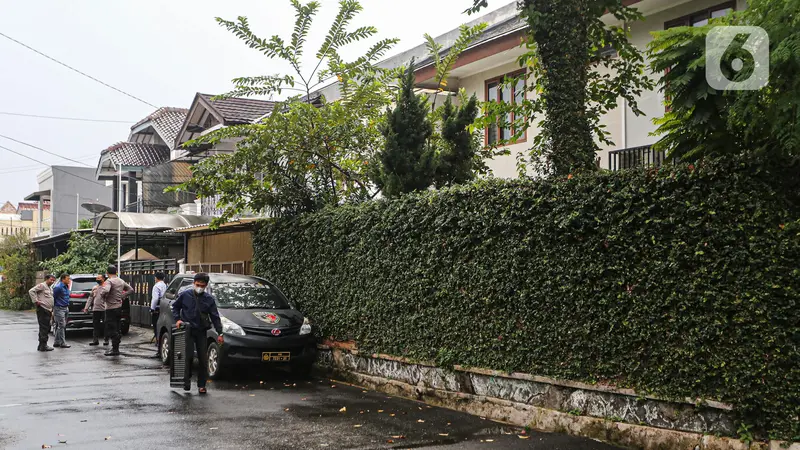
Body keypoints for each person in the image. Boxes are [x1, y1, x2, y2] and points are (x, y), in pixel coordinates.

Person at [172, 273, 224, 394]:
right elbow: (175, 307)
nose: (199, 287)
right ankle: (186, 381)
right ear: (193, 283)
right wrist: (178, 319)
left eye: (202, 285)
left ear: (206, 286)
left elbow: (215, 317)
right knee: (187, 356)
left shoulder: (209, 299)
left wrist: (220, 333)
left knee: (202, 358)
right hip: (187, 330)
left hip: (201, 331)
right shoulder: (185, 295)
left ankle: (201, 385)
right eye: (197, 285)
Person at [99, 265, 132, 357]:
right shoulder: (121, 281)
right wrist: (122, 296)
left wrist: (103, 296)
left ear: (107, 272)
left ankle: (115, 345)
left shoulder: (109, 281)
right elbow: (131, 289)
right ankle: (115, 348)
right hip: (119, 307)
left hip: (110, 308)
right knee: (116, 327)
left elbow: (106, 290)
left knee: (110, 328)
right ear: (116, 272)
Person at [28, 274, 56, 352]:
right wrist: (36, 301)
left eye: (54, 280)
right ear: (46, 279)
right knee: (44, 328)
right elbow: (31, 291)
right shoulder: (42, 286)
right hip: (43, 309)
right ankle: (43, 345)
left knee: (45, 327)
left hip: (48, 310)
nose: (52, 281)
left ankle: (41, 345)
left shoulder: (49, 288)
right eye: (51, 280)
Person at [83, 274, 108, 346]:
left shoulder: (106, 287)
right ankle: (95, 340)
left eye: (99, 278)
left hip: (104, 309)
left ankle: (106, 339)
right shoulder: (95, 288)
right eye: (97, 278)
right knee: (95, 325)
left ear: (103, 279)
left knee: (106, 325)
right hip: (96, 309)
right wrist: (86, 307)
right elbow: (90, 298)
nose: (97, 279)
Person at [51, 274, 71, 349]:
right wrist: (53, 309)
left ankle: (56, 342)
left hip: (65, 307)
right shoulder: (58, 287)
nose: (69, 280)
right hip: (59, 308)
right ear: (63, 279)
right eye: (67, 279)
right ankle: (63, 342)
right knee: (61, 326)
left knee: (61, 326)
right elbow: (53, 298)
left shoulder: (66, 286)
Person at [150, 272, 167, 358]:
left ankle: (158, 349)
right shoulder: (165, 285)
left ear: (156, 278)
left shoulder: (156, 286)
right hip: (164, 308)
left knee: (157, 328)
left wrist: (152, 309)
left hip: (157, 309)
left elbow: (155, 298)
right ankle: (161, 349)